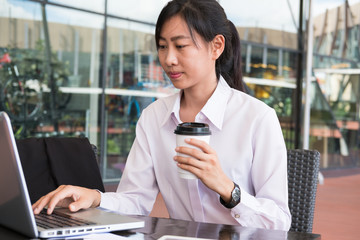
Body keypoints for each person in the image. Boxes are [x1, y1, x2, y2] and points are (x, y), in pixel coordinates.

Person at [32, 0, 291, 230]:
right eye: (162, 47)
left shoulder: (258, 118)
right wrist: (95, 197)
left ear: (216, 47)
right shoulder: (154, 117)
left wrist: (226, 188)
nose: (169, 59)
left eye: (180, 46)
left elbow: (279, 221)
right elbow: (135, 200)